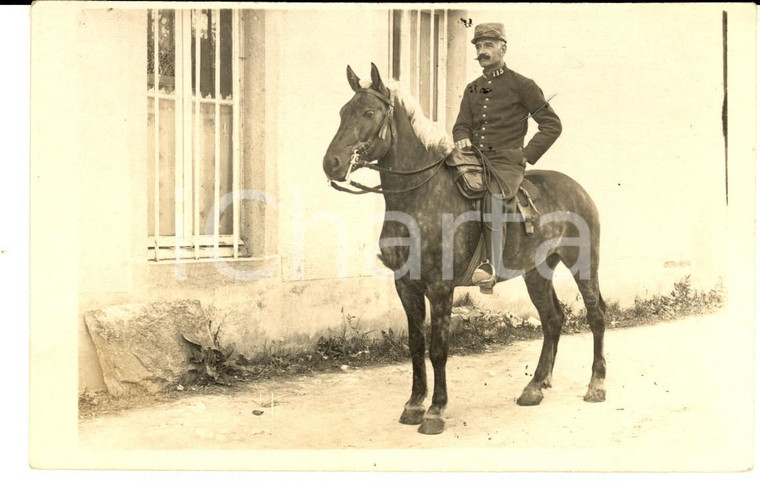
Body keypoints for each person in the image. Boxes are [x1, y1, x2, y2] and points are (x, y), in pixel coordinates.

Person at [453, 22, 562, 293]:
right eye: (478, 46)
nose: (482, 51)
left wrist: (526, 154)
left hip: (506, 163)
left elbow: (552, 124)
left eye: (488, 45)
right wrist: (462, 136)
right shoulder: (473, 88)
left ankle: (490, 267)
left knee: (494, 197)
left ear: (503, 48)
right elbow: (461, 124)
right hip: (474, 158)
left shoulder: (522, 85)